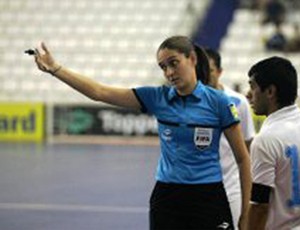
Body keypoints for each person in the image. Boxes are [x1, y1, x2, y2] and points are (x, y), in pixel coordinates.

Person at [31, 35, 251, 230]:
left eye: (174, 63)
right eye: (163, 67)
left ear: (192, 59)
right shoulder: (156, 97)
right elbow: (99, 92)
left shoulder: (219, 103)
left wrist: (246, 213)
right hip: (167, 198)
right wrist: (56, 69)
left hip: (209, 198)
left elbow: (243, 159)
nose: (169, 73)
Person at [204, 48, 255, 229]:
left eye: (208, 70)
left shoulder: (238, 102)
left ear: (219, 71)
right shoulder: (187, 102)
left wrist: (248, 201)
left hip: (231, 189)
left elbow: (248, 150)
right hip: (198, 189)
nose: (204, 75)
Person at [247, 56, 300, 230]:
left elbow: (260, 205)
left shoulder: (266, 140)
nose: (248, 94)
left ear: (270, 92)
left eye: (253, 86)